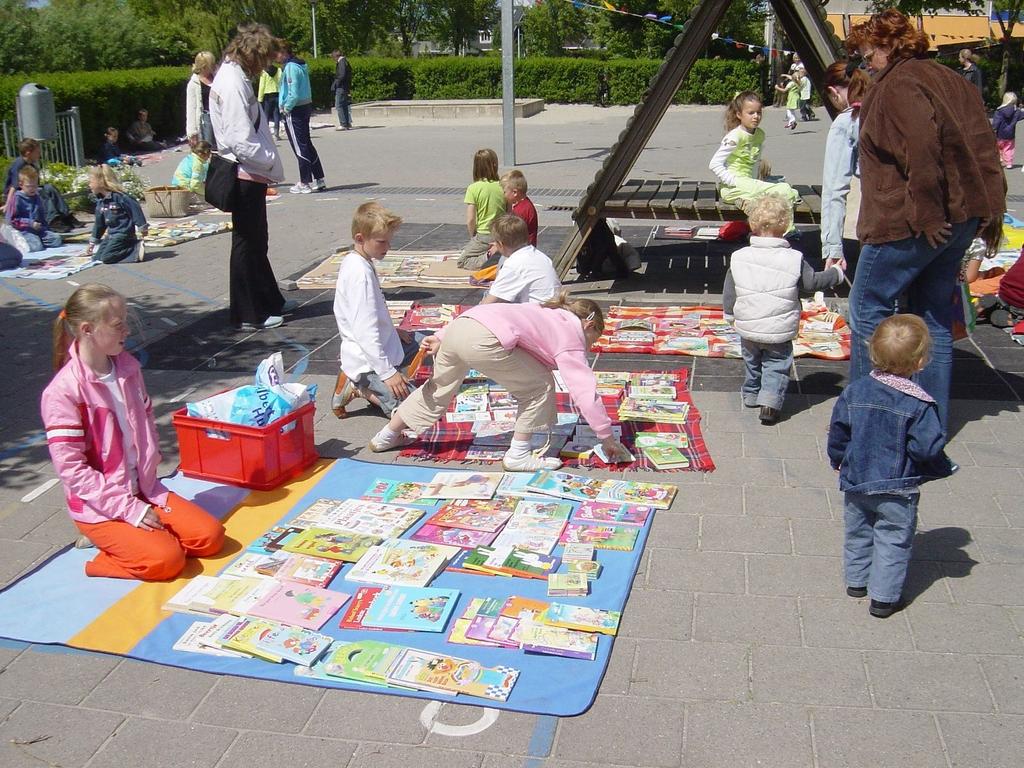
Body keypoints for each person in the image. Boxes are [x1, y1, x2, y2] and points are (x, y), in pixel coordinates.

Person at [845, 9, 1005, 429]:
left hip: (913, 220)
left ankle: (871, 419)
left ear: (886, 45)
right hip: (960, 214)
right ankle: (927, 426)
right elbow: (982, 146)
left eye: (867, 54)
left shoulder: (899, 83)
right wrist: (988, 211)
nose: (867, 63)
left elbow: (922, 150)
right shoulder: (950, 77)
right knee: (933, 316)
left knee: (866, 309)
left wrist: (929, 215)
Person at [41, 284, 225, 580]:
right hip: (101, 505)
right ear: (87, 330)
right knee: (166, 561)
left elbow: (145, 418)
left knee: (210, 537)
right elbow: (72, 471)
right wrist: (129, 510)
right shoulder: (63, 392)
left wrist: (147, 476)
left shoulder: (128, 369)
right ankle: (103, 560)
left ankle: (140, 542)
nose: (127, 331)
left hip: (144, 490)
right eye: (118, 325)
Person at [367, 292, 632, 472]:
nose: (588, 348)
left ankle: (386, 436)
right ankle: (518, 454)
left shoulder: (541, 309)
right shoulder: (571, 335)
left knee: (436, 388)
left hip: (462, 326)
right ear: (588, 325)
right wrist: (606, 437)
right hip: (485, 338)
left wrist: (441, 335)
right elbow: (585, 392)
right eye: (592, 341)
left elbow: (490, 312)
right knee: (539, 386)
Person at [827, 314, 955, 618]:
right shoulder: (919, 403)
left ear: (872, 351)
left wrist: (837, 459)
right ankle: (883, 598)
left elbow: (839, 432)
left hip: (857, 479)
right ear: (921, 362)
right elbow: (925, 447)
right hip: (898, 485)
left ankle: (857, 581)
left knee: (858, 531)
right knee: (893, 538)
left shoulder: (855, 391)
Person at [722, 194, 844, 425]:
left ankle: (751, 393)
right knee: (777, 365)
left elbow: (730, 289)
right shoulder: (794, 258)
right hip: (779, 327)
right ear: (786, 225)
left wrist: (729, 313)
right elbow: (811, 284)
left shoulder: (739, 257)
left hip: (748, 325)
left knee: (752, 360)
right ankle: (770, 403)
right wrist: (835, 274)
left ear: (753, 224)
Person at [210, 22, 296, 331]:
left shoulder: (234, 77)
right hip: (245, 172)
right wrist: (270, 163)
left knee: (256, 241)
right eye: (264, 61)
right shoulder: (233, 83)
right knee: (248, 242)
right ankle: (248, 313)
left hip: (250, 171)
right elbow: (239, 138)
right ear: (253, 54)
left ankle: (269, 301)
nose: (265, 67)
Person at [331, 202, 421, 419]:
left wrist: (392, 329)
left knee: (429, 343)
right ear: (360, 239)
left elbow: (373, 312)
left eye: (389, 241)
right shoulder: (359, 274)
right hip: (366, 360)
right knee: (413, 414)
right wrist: (388, 373)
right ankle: (358, 386)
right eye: (382, 242)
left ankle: (382, 382)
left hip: (381, 346)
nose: (387, 247)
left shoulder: (360, 260)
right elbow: (364, 330)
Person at [710, 91, 799, 213]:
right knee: (786, 191)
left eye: (759, 113)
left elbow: (756, 161)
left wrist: (758, 181)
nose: (756, 116)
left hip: (750, 184)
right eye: (751, 113)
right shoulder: (735, 136)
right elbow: (714, 163)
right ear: (739, 114)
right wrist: (734, 181)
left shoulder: (760, 134)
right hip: (734, 185)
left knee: (791, 192)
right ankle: (788, 231)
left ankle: (744, 200)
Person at [820, 60, 870, 269]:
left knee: (865, 298)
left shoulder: (846, 121)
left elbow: (834, 189)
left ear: (834, 92)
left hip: (877, 221)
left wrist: (832, 247)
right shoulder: (881, 108)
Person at [277, 39, 326, 194]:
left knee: (299, 146)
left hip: (295, 110)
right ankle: (319, 178)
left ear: (284, 52)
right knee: (307, 144)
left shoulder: (290, 67)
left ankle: (305, 182)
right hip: (305, 107)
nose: (274, 57)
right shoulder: (300, 64)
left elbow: (293, 93)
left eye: (276, 53)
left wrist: (286, 108)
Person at [3, 138, 81, 233]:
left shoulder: (31, 164)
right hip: (20, 193)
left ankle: (66, 216)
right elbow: (13, 186)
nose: (39, 154)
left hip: (31, 189)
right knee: (42, 192)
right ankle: (52, 220)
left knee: (49, 188)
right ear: (28, 153)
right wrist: (8, 203)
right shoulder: (19, 164)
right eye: (37, 152)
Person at [481, 214, 561, 305]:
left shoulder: (514, 264)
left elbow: (488, 304)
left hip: (539, 313)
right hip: (554, 308)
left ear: (500, 244)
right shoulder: (539, 255)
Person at [85, 165, 147, 264]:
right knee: (97, 258)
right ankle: (127, 249)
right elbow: (99, 225)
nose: (89, 185)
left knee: (107, 258)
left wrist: (142, 227)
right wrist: (92, 243)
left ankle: (135, 249)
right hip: (111, 235)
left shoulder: (120, 197)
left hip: (124, 234)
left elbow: (135, 210)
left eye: (91, 182)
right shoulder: (101, 202)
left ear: (101, 182)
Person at [458, 148, 506, 270]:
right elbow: (509, 212)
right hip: (501, 234)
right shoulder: (503, 186)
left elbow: (471, 219)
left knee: (463, 261)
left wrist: (472, 235)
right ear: (495, 165)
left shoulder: (473, 188)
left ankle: (489, 255)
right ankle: (497, 252)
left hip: (484, 234)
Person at [5, 165, 63, 251]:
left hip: (37, 229)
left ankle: (36, 241)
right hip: (23, 231)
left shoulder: (36, 196)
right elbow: (12, 220)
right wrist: (30, 223)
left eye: (35, 186)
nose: (33, 189)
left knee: (56, 239)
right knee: (36, 246)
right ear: (21, 185)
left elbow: (42, 216)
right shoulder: (17, 198)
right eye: (29, 186)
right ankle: (17, 243)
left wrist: (45, 228)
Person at [186, 51, 217, 148]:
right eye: (210, 65)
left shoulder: (217, 78)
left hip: (219, 117)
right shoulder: (193, 84)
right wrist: (192, 133)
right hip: (206, 121)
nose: (213, 67)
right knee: (209, 150)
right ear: (203, 66)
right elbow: (191, 108)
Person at [500, 170, 538, 247]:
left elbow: (511, 234)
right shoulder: (525, 204)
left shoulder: (520, 211)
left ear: (515, 193)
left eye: (505, 192)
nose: (504, 195)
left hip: (521, 250)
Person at [991, 92, 1024, 169]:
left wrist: (992, 129)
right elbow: (1022, 115)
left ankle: (1000, 159)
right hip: (1010, 135)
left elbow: (996, 123)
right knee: (1009, 149)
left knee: (998, 147)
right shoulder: (1017, 112)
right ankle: (1009, 163)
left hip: (999, 135)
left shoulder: (999, 111)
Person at [257, 64, 282, 141]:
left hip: (267, 95)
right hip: (277, 93)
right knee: (276, 114)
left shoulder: (264, 72)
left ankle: (266, 134)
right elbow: (281, 82)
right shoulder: (278, 70)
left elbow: (262, 86)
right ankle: (276, 134)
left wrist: (259, 99)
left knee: (266, 115)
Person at [331, 49, 353, 130]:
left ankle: (343, 124)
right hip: (345, 86)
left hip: (341, 87)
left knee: (339, 105)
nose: (333, 59)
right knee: (344, 105)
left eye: (333, 57)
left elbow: (342, 75)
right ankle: (347, 123)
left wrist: (336, 84)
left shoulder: (341, 62)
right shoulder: (346, 61)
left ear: (336, 56)